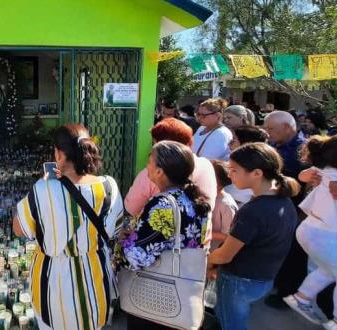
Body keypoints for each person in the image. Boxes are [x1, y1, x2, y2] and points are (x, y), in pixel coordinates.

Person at [13, 124, 123, 330]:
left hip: (52, 287)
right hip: (95, 283)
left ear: (59, 154)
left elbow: (20, 229)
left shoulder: (43, 189)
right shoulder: (109, 187)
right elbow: (114, 231)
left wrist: (44, 183)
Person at [207, 143, 299, 330]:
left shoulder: (253, 211)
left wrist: (207, 260)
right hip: (263, 278)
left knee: (231, 323)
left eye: (234, 170)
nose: (230, 174)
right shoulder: (284, 201)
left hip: (238, 281)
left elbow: (225, 254)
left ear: (257, 173)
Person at [119, 141, 211, 329]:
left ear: (160, 171)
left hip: (155, 298)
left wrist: (121, 242)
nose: (147, 166)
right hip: (182, 289)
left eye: (149, 161)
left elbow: (136, 258)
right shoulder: (193, 198)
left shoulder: (162, 204)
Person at [284, 133, 337, 330]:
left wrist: (309, 176)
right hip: (328, 237)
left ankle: (301, 297)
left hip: (310, 230)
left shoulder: (328, 169)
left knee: (329, 270)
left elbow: (302, 175)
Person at [124, 118, 217, 218]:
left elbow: (131, 208)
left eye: (155, 143)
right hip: (199, 232)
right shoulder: (206, 164)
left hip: (157, 232)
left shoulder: (153, 173)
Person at [262, 110, 308, 308]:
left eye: (271, 128)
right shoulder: (273, 145)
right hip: (273, 207)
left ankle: (287, 293)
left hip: (296, 210)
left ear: (288, 127)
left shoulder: (304, 151)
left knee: (294, 255)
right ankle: (277, 282)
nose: (267, 132)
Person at [224, 126, 269, 206]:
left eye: (234, 140)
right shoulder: (232, 159)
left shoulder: (254, 166)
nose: (229, 143)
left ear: (245, 143)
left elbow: (243, 196)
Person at [210, 160, 238, 250]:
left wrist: (207, 234)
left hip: (214, 250)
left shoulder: (226, 205)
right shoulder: (206, 195)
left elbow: (228, 236)